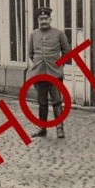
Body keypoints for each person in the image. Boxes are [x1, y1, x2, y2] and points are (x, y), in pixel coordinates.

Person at [26, 7, 71, 138]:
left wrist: (58, 65)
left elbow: (67, 52)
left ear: (50, 19)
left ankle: (59, 128)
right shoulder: (33, 34)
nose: (44, 21)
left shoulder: (59, 34)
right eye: (41, 19)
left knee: (57, 101)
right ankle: (42, 128)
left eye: (46, 18)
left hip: (54, 74)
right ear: (38, 20)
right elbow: (30, 53)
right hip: (39, 74)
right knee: (42, 102)